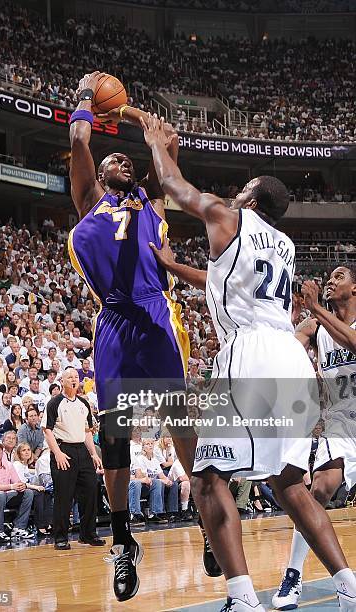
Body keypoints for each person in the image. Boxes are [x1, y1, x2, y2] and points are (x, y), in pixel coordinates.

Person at [140, 114, 356, 612]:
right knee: (291, 486)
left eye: (243, 190)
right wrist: (173, 266)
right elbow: (225, 283)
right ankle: (347, 587)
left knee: (206, 477)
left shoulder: (228, 216)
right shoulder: (283, 245)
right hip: (290, 358)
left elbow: (175, 187)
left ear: (252, 200)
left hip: (252, 355)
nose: (234, 194)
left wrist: (160, 146)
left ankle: (242, 598)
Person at [68, 72, 192, 601]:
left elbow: (169, 143)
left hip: (155, 315)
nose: (114, 162)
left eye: (123, 160)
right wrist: (84, 101)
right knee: (116, 438)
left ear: (136, 174)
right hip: (115, 322)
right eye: (109, 160)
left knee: (178, 420)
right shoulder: (89, 199)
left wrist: (135, 116)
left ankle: (208, 517)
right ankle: (122, 542)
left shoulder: (153, 205)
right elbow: (79, 141)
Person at [273, 268, 356, 610]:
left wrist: (316, 307)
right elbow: (284, 353)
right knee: (319, 490)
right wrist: (288, 322)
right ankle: (293, 576)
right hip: (341, 424)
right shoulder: (316, 327)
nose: (331, 280)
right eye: (329, 277)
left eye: (339, 276)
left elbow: (352, 343)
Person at [42, 367, 105, 550]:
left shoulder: (83, 403)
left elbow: (87, 431)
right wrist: (58, 453)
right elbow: (47, 430)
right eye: (70, 377)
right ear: (62, 381)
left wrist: (93, 453)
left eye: (76, 377)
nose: (74, 379)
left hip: (82, 451)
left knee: (91, 492)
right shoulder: (54, 403)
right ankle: (60, 537)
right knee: (64, 496)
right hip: (63, 449)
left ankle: (88, 534)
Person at [0, 440, 35, 540]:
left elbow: (17, 481)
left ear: (3, 452)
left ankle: (19, 528)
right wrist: (12, 486)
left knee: (28, 493)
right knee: (0, 494)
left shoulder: (8, 465)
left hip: (7, 495)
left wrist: (21, 486)